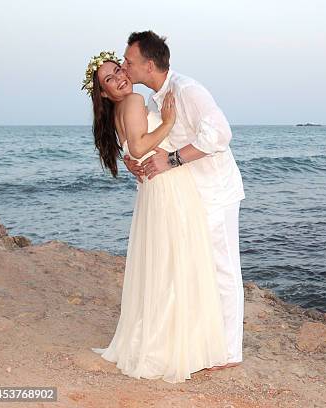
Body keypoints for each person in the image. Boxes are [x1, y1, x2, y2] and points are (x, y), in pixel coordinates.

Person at [84, 51, 229, 383]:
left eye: (119, 70)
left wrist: (137, 156)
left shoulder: (120, 109)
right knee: (176, 263)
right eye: (110, 79)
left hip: (153, 188)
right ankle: (176, 346)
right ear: (104, 93)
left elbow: (130, 149)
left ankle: (170, 340)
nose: (120, 76)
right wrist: (165, 122)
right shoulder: (134, 99)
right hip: (167, 186)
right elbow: (138, 148)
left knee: (163, 263)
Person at [121, 31, 245, 368]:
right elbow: (148, 138)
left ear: (149, 64)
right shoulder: (151, 100)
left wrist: (172, 159)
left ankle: (231, 352)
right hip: (188, 197)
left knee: (222, 269)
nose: (124, 66)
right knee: (195, 269)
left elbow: (220, 133)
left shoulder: (188, 90)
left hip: (215, 191)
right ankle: (205, 344)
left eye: (129, 62)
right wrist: (133, 159)